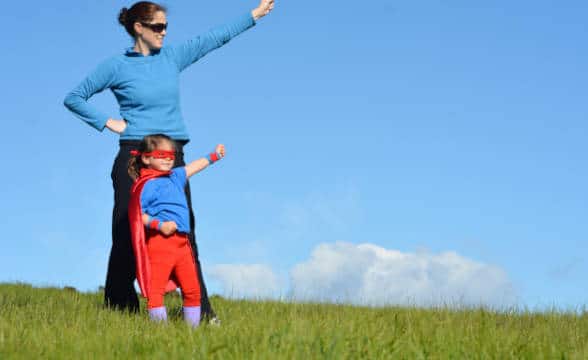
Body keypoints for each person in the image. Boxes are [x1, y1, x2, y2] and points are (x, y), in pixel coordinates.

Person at [63, 0, 274, 321]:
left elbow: (213, 38)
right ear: (139, 28)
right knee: (126, 232)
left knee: (184, 234)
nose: (164, 32)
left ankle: (202, 313)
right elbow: (75, 97)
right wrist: (109, 122)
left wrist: (254, 15)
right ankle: (120, 309)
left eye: (166, 26)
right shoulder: (116, 66)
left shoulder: (172, 57)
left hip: (172, 158)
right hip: (134, 155)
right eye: (158, 27)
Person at [127, 134, 225, 327]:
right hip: (160, 244)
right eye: (161, 154)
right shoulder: (146, 185)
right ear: (146, 158)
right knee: (156, 291)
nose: (168, 158)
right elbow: (139, 215)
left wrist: (214, 156)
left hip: (183, 245)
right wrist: (159, 225)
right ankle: (160, 333)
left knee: (193, 290)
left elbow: (193, 167)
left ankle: (191, 335)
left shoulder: (175, 176)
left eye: (171, 155)